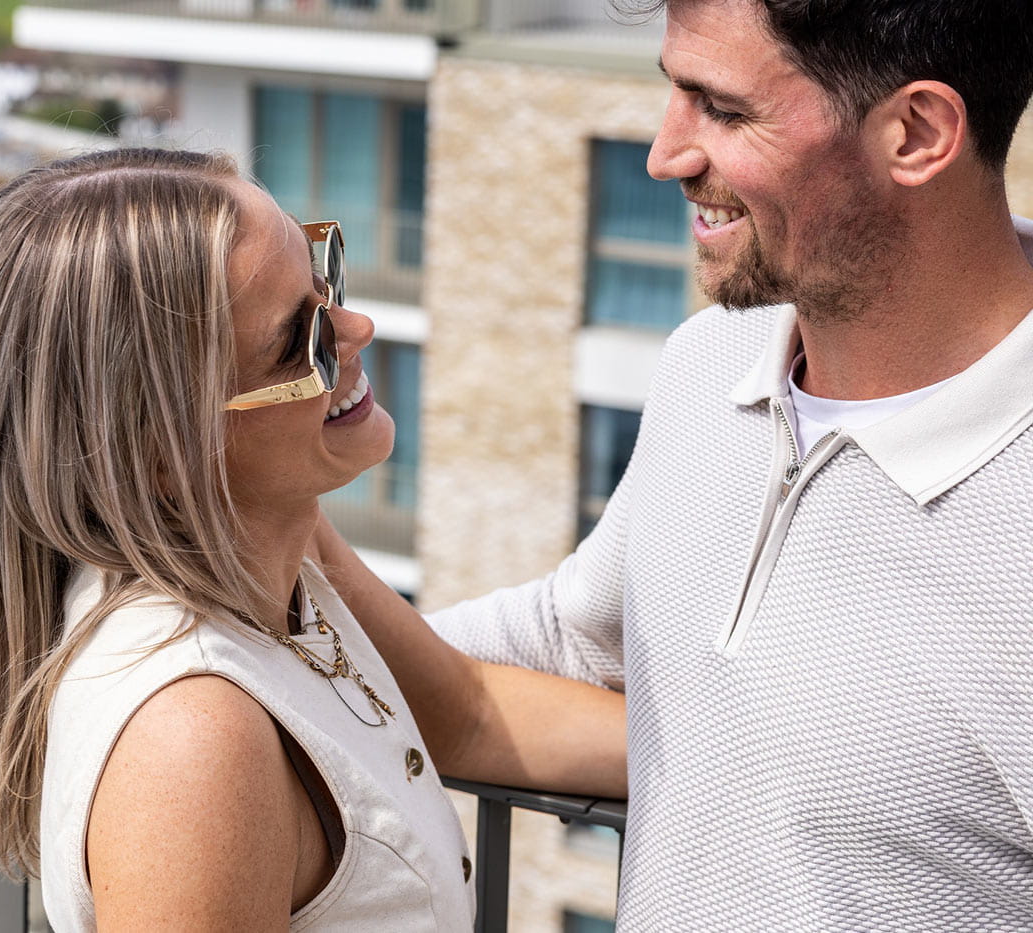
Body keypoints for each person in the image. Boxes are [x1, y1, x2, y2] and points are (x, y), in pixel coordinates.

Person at [322, 0, 1033, 927]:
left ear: (917, 132)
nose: (666, 153)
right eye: (672, 91)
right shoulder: (706, 367)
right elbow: (574, 637)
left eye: (724, 111)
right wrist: (242, 642)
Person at [0, 148, 626, 932]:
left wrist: (752, 758)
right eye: (299, 341)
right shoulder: (191, 744)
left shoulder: (276, 547)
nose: (357, 328)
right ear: (160, 449)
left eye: (327, 280)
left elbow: (467, 715)